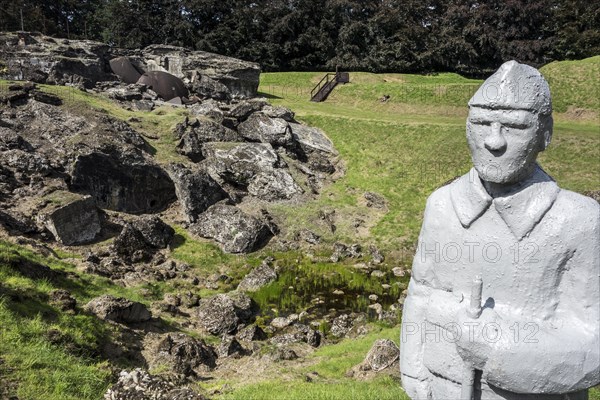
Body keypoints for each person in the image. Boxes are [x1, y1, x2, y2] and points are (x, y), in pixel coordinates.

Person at [399, 60, 600, 400]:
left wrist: (501, 349)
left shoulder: (578, 220)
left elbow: (593, 341)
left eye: (515, 127)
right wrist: (412, 367)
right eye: (480, 123)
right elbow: (421, 290)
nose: (493, 141)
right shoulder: (441, 206)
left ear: (544, 133)